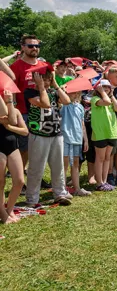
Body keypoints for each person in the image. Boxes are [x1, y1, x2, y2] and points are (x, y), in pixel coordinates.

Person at [25, 70, 72, 206]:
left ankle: (60, 193)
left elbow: (67, 101)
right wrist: (40, 87)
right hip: (38, 134)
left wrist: (56, 85)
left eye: (48, 79)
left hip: (56, 133)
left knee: (58, 167)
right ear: (35, 79)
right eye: (42, 79)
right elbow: (45, 103)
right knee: (36, 167)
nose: (45, 82)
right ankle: (32, 199)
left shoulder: (53, 91)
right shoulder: (30, 92)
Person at [10, 35, 46, 182]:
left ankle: (36, 177)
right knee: (25, 149)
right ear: (23, 47)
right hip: (24, 112)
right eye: (31, 46)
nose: (34, 49)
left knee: (40, 148)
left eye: (37, 46)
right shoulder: (16, 67)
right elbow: (10, 90)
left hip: (42, 112)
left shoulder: (44, 66)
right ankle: (21, 179)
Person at [0, 89, 28, 223]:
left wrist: (9, 127)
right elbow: (9, 118)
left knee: (20, 181)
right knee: (1, 183)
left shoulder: (15, 111)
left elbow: (24, 131)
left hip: (12, 147)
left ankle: (9, 209)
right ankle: (3, 215)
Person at [91, 79, 117, 191]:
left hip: (111, 132)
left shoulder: (110, 99)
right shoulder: (95, 99)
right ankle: (99, 183)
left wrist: (112, 95)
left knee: (107, 158)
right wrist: (103, 93)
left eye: (107, 87)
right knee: (100, 158)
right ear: (98, 89)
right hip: (100, 133)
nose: (106, 89)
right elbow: (107, 102)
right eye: (103, 87)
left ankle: (104, 181)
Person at [61, 89, 90, 196]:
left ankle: (77, 188)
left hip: (77, 138)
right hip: (65, 137)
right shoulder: (63, 106)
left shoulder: (80, 107)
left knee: (76, 164)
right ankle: (62, 189)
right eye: (73, 91)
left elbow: (82, 125)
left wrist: (85, 139)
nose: (76, 94)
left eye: (78, 92)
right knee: (64, 164)